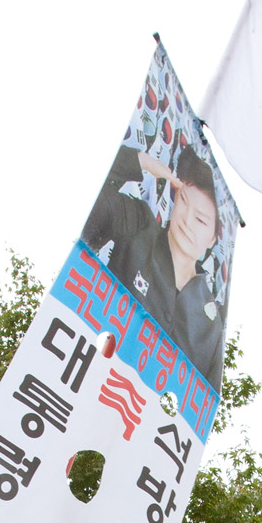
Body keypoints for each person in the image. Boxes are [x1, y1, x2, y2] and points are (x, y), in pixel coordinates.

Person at [81, 143, 226, 382]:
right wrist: (139, 162)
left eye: (200, 220)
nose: (187, 221)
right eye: (184, 202)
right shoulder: (137, 224)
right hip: (88, 378)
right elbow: (93, 210)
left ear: (212, 238)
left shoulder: (211, 326)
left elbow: (203, 406)